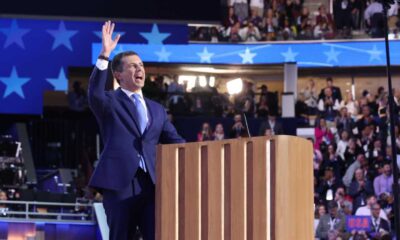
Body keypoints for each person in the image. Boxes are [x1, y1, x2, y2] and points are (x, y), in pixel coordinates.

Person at [88, 21, 185, 240]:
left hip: (151, 185)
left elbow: (178, 142)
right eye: (132, 66)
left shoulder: (157, 109)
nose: (139, 69)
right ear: (119, 75)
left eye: (141, 65)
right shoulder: (109, 102)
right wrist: (105, 55)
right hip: (119, 184)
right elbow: (94, 93)